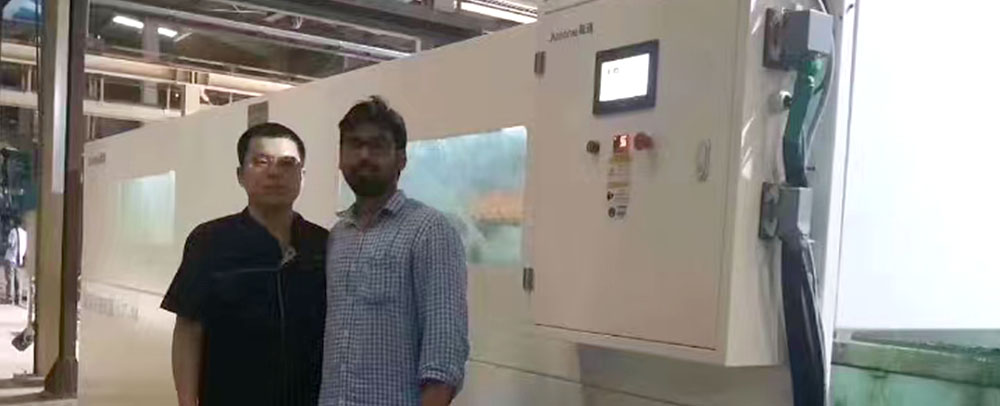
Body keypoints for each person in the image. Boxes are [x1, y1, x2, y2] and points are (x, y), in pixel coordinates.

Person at [161, 123, 328, 406]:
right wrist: (187, 402)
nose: (274, 173)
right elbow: (189, 328)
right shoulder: (210, 241)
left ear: (303, 176)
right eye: (261, 162)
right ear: (240, 175)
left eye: (287, 163)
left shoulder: (322, 244)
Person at [319, 97, 469, 406]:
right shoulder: (337, 236)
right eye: (354, 144)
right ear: (340, 157)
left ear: (401, 159)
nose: (364, 155)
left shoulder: (429, 230)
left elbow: (444, 352)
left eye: (377, 146)